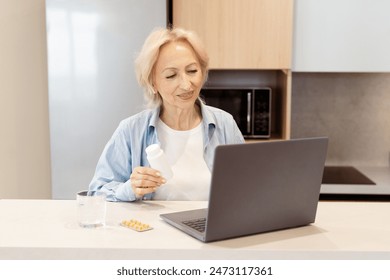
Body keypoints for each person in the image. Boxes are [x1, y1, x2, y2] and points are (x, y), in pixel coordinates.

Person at [88, 27, 244, 202]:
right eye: (171, 75)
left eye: (192, 71)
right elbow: (96, 192)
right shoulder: (131, 131)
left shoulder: (225, 124)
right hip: (155, 229)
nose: (186, 85)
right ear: (152, 83)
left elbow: (249, 184)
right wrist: (129, 189)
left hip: (211, 228)